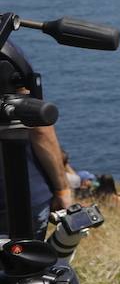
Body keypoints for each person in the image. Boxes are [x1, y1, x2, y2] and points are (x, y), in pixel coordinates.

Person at [0, 42, 76, 237]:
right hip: (20, 193)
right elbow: (39, 128)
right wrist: (62, 190)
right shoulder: (6, 52)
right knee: (26, 262)